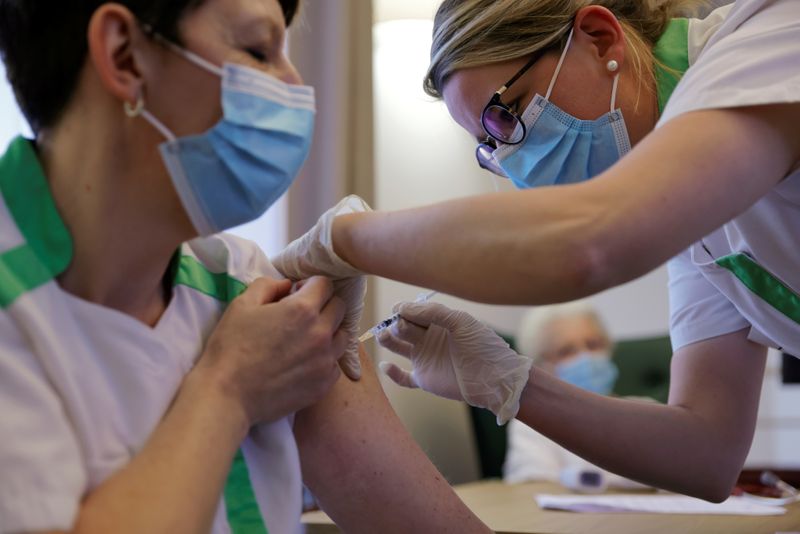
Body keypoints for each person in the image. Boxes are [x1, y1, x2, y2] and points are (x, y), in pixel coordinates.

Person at [274, 0, 800, 502]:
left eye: (508, 113)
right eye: (491, 146)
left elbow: (587, 245)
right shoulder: (698, 225)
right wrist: (511, 385)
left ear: (598, 37)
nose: (512, 159)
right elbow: (705, 453)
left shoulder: (766, 43)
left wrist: (345, 238)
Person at [0, 1, 492, 533]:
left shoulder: (245, 286)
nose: (295, 83)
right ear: (124, 57)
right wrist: (227, 389)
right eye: (258, 50)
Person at [503, 302, 643, 489]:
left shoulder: (648, 412)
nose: (586, 358)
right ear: (539, 366)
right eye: (566, 351)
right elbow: (532, 488)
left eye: (593, 344)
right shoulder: (532, 425)